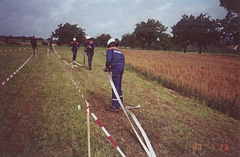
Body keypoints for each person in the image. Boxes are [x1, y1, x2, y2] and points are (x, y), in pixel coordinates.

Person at [104, 39, 125, 112]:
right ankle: (120, 102)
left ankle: (115, 106)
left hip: (116, 68)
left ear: (109, 45)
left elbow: (109, 60)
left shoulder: (110, 50)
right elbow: (123, 61)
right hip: (121, 68)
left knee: (115, 86)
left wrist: (107, 67)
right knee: (118, 84)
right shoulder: (120, 51)